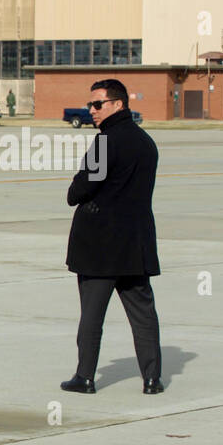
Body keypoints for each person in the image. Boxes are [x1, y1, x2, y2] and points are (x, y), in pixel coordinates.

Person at [62, 78, 163, 395]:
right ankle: (152, 379)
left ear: (118, 104)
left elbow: (79, 191)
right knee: (143, 314)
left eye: (97, 104)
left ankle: (85, 377)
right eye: (90, 104)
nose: (91, 110)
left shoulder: (106, 142)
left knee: (92, 315)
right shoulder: (146, 142)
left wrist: (78, 184)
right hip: (135, 244)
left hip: (101, 246)